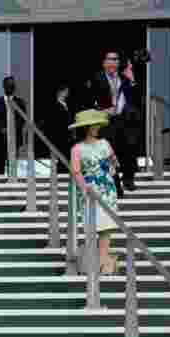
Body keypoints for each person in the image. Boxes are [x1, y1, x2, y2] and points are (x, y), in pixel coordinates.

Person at [70, 109, 120, 275]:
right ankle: (96, 262)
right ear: (86, 128)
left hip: (107, 189)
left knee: (106, 227)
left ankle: (104, 262)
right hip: (89, 190)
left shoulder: (105, 143)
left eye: (97, 125)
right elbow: (76, 171)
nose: (96, 128)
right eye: (93, 125)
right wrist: (84, 188)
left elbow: (114, 162)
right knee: (92, 227)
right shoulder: (77, 149)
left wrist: (111, 168)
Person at [88, 50, 139, 193]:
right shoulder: (96, 78)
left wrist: (132, 81)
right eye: (110, 59)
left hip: (124, 120)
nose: (113, 62)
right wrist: (102, 110)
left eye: (116, 59)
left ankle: (128, 179)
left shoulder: (124, 78)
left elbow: (135, 99)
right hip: (106, 121)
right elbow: (89, 100)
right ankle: (115, 185)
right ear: (104, 63)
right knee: (109, 153)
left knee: (129, 148)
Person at [0, 76, 27, 177]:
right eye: (8, 85)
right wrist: (1, 129)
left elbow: (22, 119)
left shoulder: (20, 102)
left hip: (14, 138)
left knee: (13, 165)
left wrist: (11, 129)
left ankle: (12, 183)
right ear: (4, 86)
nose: (10, 87)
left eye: (12, 85)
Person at [43, 84, 75, 173]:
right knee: (61, 156)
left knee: (66, 156)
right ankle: (60, 172)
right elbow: (54, 123)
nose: (67, 94)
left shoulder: (66, 105)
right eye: (66, 92)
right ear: (60, 92)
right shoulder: (54, 106)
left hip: (68, 136)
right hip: (60, 136)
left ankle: (65, 171)